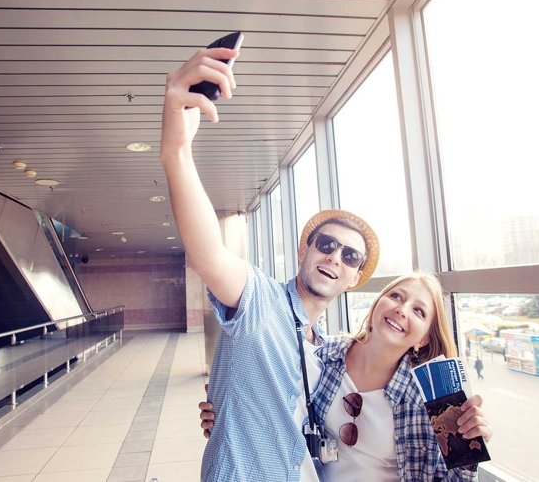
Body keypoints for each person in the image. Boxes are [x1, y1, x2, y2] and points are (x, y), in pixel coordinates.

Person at [161, 47, 379, 481]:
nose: (334, 258)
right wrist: (177, 151)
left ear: (354, 278)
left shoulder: (329, 348)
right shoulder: (259, 299)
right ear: (304, 250)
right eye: (326, 244)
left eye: (349, 256)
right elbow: (209, 254)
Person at [201, 273, 493, 481]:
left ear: (425, 339)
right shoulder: (325, 356)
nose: (401, 310)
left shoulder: (434, 397)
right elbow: (279, 400)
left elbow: (456, 478)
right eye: (395, 296)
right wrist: (227, 413)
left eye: (418, 311)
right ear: (377, 303)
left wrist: (472, 444)